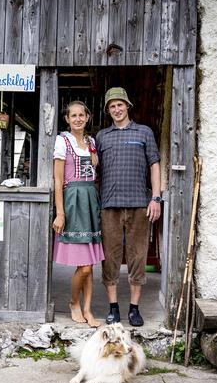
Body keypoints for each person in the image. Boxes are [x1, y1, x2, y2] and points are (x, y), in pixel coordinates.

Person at [96, 87, 161, 327]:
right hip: (109, 205)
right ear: (108, 110)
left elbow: (154, 165)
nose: (116, 109)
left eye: (120, 104)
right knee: (110, 257)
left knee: (137, 256)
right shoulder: (102, 136)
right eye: (112, 106)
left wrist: (155, 198)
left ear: (127, 106)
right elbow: (94, 170)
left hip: (138, 205)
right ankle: (113, 307)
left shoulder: (144, 132)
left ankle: (134, 308)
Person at [52, 101, 105, 328]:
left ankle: (88, 309)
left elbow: (95, 175)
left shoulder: (92, 142)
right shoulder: (62, 141)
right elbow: (57, 179)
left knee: (90, 264)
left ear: (87, 116)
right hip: (73, 202)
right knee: (82, 266)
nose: (77, 119)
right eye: (73, 115)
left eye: (81, 115)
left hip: (90, 201)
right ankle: (74, 302)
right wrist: (60, 213)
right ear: (67, 119)